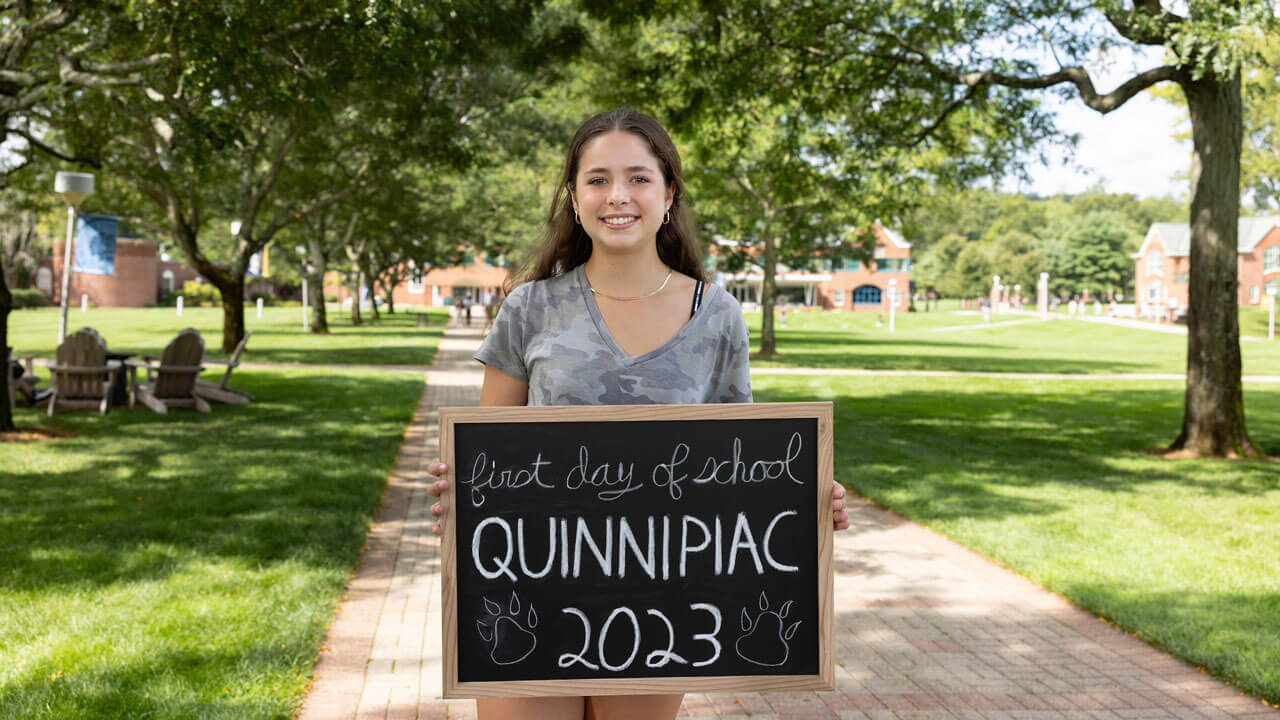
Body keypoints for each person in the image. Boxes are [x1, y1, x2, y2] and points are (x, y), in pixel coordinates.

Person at [423, 109, 850, 720]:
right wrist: (461, 487)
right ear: (573, 197)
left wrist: (802, 500)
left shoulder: (718, 315)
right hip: (530, 597)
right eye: (596, 179)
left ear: (669, 193)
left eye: (639, 178)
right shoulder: (529, 308)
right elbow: (491, 456)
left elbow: (744, 472)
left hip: (660, 606)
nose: (617, 196)